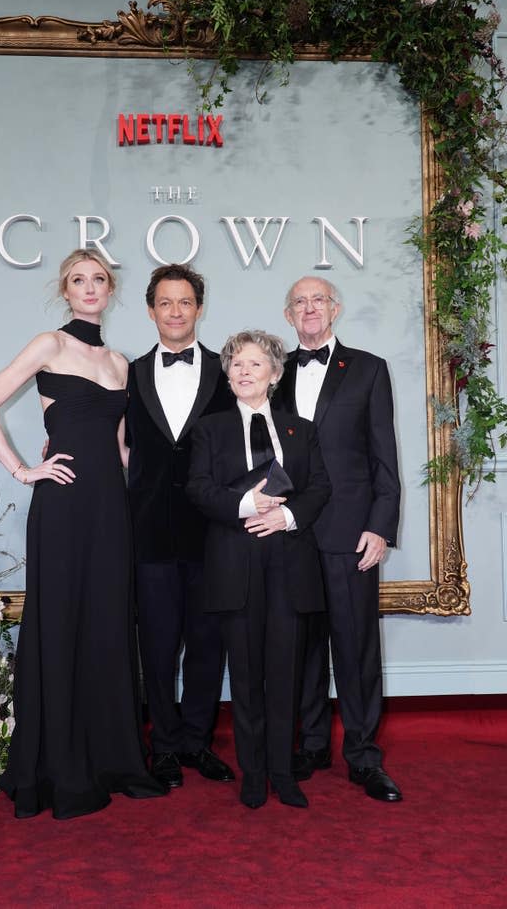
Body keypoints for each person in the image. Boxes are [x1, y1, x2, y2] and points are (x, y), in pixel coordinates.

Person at [0, 248, 167, 819]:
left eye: (98, 280)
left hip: (110, 509)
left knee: (107, 623)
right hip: (62, 507)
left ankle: (115, 760)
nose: (89, 288)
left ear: (110, 290)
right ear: (65, 289)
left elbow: (124, 450)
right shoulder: (48, 344)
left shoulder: (122, 362)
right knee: (60, 621)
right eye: (78, 280)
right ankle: (58, 766)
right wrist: (23, 470)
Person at [186, 331, 331, 809]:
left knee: (285, 673)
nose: (243, 372)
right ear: (227, 377)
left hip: (289, 563)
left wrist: (285, 516)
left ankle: (283, 773)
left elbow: (318, 488)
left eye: (253, 364)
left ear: (274, 373)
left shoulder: (301, 429)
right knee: (245, 675)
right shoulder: (209, 429)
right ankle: (253, 775)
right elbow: (199, 490)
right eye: (235, 365)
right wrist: (246, 503)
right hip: (235, 563)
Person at [274, 275, 403, 803]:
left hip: (352, 532)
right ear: (288, 315)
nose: (309, 309)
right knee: (301, 647)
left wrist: (381, 525)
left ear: (335, 309)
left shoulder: (368, 369)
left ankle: (364, 756)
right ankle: (309, 746)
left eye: (318, 300)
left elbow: (383, 457)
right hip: (288, 532)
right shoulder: (271, 369)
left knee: (355, 647)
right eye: (299, 302)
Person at [126, 263, 235, 789]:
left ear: (198, 308)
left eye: (185, 302)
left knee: (207, 642)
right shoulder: (126, 373)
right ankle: (163, 746)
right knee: (159, 646)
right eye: (165, 303)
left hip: (212, 535)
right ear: (151, 310)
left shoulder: (229, 370)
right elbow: (112, 442)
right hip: (148, 532)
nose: (175, 311)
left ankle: (197, 741)